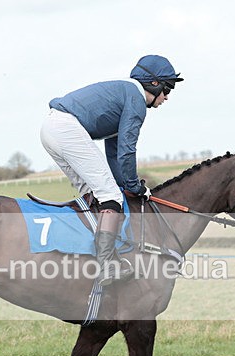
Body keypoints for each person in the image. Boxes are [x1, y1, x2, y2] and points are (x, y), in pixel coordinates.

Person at [41, 54, 183, 285]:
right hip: (66, 129)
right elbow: (127, 150)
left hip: (51, 129)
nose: (167, 97)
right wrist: (134, 186)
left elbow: (114, 151)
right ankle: (106, 265)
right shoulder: (136, 100)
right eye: (167, 89)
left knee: (96, 195)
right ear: (154, 83)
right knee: (110, 196)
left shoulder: (125, 94)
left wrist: (124, 184)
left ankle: (88, 255)